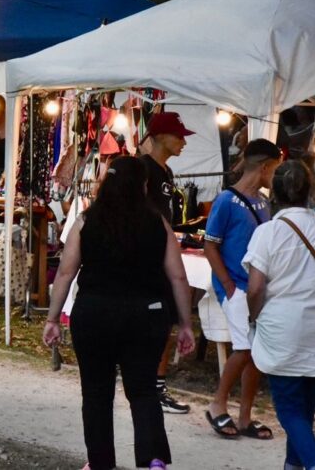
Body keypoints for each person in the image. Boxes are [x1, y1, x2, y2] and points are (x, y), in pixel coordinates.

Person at [43, 156, 195, 470]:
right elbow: (178, 276)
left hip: (95, 313)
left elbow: (65, 273)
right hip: (147, 315)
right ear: (143, 185)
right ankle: (153, 458)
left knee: (97, 392)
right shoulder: (158, 223)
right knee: (143, 389)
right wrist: (184, 323)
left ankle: (100, 462)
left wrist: (52, 318)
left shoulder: (87, 220)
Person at [244, 160, 315, 470]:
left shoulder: (268, 232)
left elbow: (255, 289)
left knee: (290, 410)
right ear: (310, 191)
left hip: (284, 328)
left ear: (273, 193)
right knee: (304, 411)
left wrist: (253, 318)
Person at [204, 138, 282, 440]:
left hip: (255, 287)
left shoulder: (263, 202)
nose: (275, 176)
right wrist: (226, 284)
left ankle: (245, 415)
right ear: (264, 167)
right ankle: (217, 403)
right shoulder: (226, 200)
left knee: (256, 353)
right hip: (235, 285)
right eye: (274, 170)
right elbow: (211, 244)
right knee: (244, 348)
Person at [138, 111, 194, 415]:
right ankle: (151, 386)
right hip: (149, 257)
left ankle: (155, 385)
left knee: (165, 321)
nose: (183, 142)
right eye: (179, 135)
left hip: (162, 255)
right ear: (160, 136)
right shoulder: (143, 169)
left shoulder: (167, 174)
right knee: (158, 322)